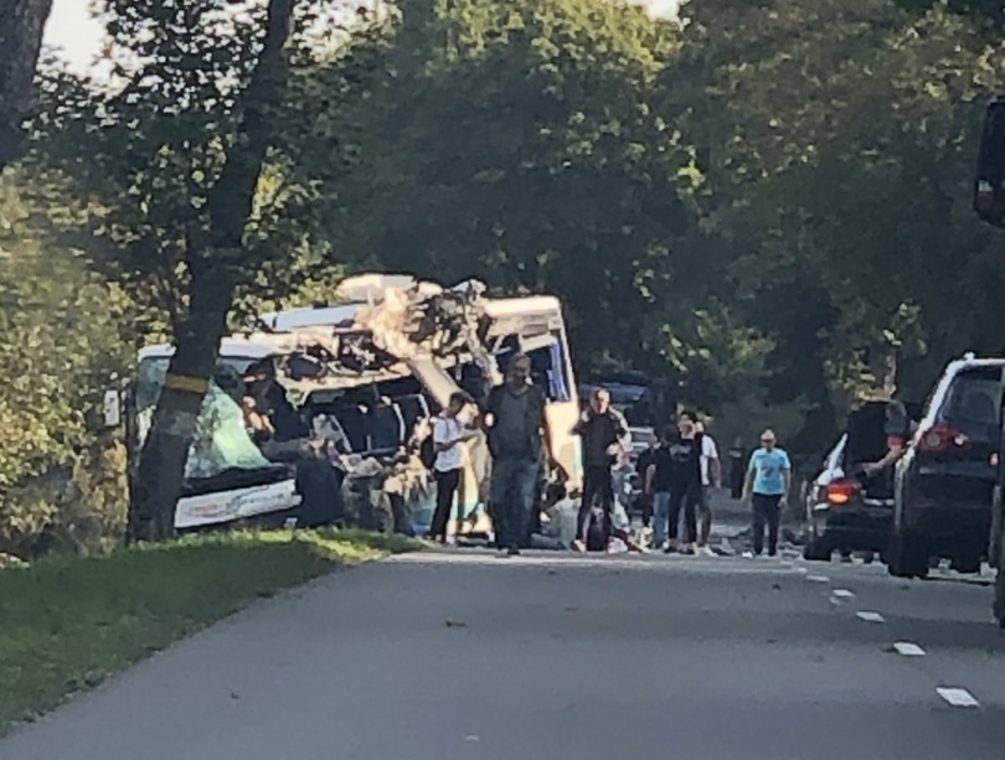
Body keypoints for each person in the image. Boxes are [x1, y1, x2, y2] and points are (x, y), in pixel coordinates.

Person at [482, 354, 555, 556]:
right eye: (516, 369)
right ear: (509, 370)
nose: (519, 374)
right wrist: (490, 435)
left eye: (523, 370)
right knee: (497, 498)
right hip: (503, 454)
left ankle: (517, 539)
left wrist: (551, 453)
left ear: (529, 372)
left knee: (523, 499)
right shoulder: (498, 394)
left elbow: (545, 423)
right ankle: (501, 536)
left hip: (528, 455)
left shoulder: (535, 394)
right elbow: (484, 415)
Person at [572, 388, 630, 552]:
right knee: (586, 503)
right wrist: (582, 420)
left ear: (607, 401)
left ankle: (608, 539)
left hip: (609, 466)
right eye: (596, 400)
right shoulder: (588, 417)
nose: (599, 404)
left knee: (608, 504)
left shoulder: (614, 418)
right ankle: (581, 538)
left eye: (602, 400)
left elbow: (626, 436)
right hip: (591, 464)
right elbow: (574, 431)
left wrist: (617, 446)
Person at [648, 415, 703, 554]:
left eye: (687, 420)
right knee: (673, 508)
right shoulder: (674, 439)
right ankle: (672, 541)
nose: (684, 423)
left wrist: (695, 432)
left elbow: (698, 452)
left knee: (689, 510)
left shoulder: (698, 440)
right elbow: (664, 450)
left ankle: (691, 542)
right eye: (682, 420)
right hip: (676, 478)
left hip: (692, 478)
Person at [428, 391, 477, 544]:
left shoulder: (456, 422)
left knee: (449, 501)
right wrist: (456, 441)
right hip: (444, 467)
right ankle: (436, 531)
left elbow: (472, 426)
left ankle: (443, 532)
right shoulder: (441, 423)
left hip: (455, 465)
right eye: (459, 406)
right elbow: (438, 447)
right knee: (443, 501)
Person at [743, 428, 792, 557]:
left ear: (774, 441)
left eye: (769, 441)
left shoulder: (781, 455)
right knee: (758, 522)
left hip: (775, 493)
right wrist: (746, 490)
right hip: (759, 492)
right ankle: (757, 547)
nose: (767, 444)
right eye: (765, 441)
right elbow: (751, 473)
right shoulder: (757, 454)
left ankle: (772, 548)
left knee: (774, 523)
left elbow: (786, 474)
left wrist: (785, 495)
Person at [693, 420, 722, 552]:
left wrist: (717, 478)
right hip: (688, 482)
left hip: (704, 482)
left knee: (706, 510)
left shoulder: (708, 441)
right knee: (687, 511)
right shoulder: (685, 442)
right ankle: (688, 538)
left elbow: (714, 461)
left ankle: (703, 539)